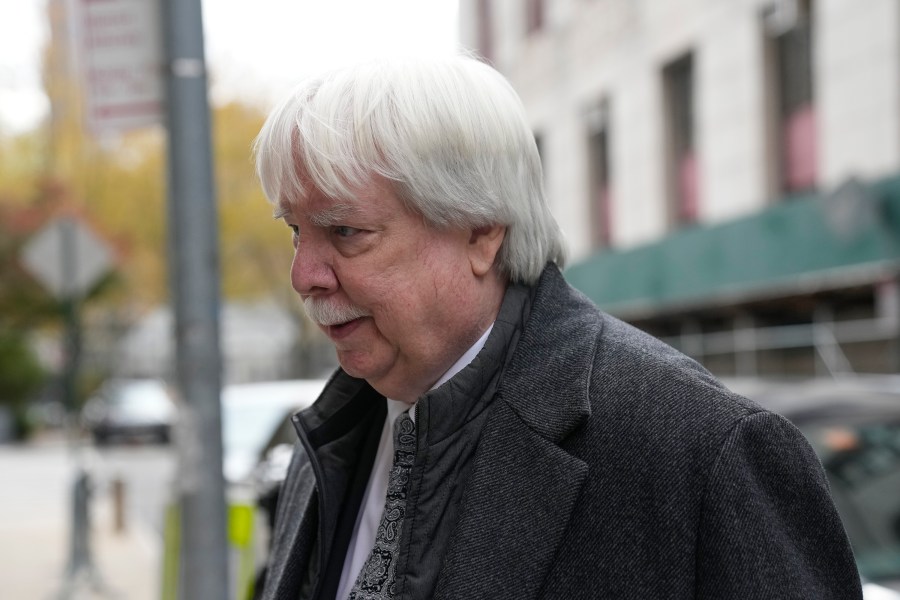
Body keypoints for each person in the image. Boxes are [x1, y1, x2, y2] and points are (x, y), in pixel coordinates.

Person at [251, 54, 862, 600]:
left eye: (346, 232)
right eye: (295, 232)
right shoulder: (335, 437)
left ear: (482, 233)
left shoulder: (698, 450)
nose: (304, 274)